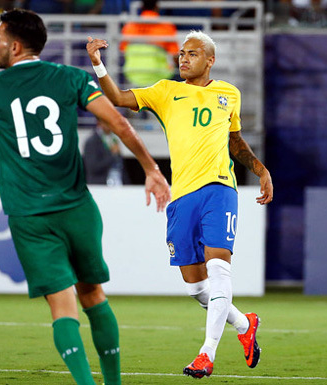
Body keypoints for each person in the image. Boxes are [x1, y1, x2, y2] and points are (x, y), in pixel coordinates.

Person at [0, 9, 170, 385]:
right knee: (93, 294)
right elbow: (118, 122)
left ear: (14, 45)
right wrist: (152, 169)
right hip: (78, 208)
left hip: (30, 216)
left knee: (63, 306)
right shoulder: (71, 77)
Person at [86, 30, 274, 378]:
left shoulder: (228, 94)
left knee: (219, 270)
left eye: (191, 53)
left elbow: (235, 142)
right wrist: (98, 64)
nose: (183, 59)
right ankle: (244, 323)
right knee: (197, 288)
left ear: (210, 60)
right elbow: (117, 97)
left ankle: (206, 353)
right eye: (181, 53)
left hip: (219, 190)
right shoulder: (165, 91)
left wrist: (261, 171)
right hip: (182, 196)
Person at [119, 0, 179, 87]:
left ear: (142, 7)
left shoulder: (130, 26)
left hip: (132, 74)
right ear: (157, 7)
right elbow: (175, 55)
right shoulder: (166, 26)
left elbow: (123, 50)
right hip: (158, 75)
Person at [83, 120, 124, 185]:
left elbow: (120, 164)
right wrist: (112, 154)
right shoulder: (91, 142)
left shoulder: (113, 140)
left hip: (116, 182)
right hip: (98, 185)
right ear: (99, 123)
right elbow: (92, 167)